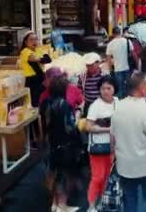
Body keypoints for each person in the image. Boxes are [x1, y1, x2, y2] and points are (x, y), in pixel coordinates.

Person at [111, 73, 146, 212]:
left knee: (129, 198)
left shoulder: (118, 108)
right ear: (141, 88)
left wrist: (113, 155)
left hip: (124, 166)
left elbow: (113, 136)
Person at [41, 77, 83, 212]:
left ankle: (54, 203)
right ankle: (62, 205)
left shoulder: (45, 103)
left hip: (50, 143)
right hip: (64, 145)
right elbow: (70, 128)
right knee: (63, 175)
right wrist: (78, 114)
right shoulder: (64, 105)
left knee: (52, 173)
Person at [85, 76, 118, 211]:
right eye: (103, 88)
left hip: (114, 147)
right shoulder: (95, 106)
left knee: (107, 177)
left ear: (114, 89)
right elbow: (88, 126)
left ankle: (102, 203)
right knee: (97, 177)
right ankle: (91, 206)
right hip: (98, 147)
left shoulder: (117, 101)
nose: (105, 91)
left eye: (108, 88)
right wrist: (108, 129)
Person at [20, 31, 51, 108]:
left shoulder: (38, 50)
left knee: (43, 102)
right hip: (32, 80)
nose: (34, 42)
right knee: (35, 104)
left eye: (36, 39)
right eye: (31, 40)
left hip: (40, 78)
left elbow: (48, 59)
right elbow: (35, 60)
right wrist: (42, 58)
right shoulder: (25, 51)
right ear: (26, 42)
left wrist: (40, 58)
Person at [106, 27, 132, 99]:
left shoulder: (110, 44)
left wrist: (110, 69)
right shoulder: (127, 41)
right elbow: (133, 54)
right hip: (128, 68)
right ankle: (128, 103)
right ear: (120, 32)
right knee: (128, 88)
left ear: (113, 34)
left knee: (119, 89)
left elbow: (108, 59)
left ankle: (120, 105)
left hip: (117, 69)